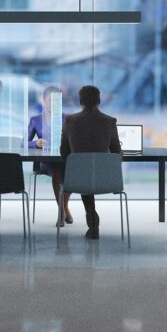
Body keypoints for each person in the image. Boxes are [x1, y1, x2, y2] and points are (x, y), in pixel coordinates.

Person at [59, 85, 121, 240]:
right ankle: (92, 220)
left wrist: (76, 163)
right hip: (105, 178)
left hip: (77, 177)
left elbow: (64, 152)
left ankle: (92, 220)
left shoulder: (70, 121)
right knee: (89, 172)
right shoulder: (110, 122)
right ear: (99, 101)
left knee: (84, 173)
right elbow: (116, 152)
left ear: (80, 102)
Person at [28, 85, 71, 226]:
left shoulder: (68, 119)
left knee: (69, 169)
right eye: (50, 100)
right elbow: (24, 142)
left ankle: (64, 207)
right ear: (44, 100)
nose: (54, 104)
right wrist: (35, 143)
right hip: (45, 161)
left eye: (57, 100)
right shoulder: (35, 120)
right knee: (58, 169)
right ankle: (62, 211)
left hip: (65, 159)